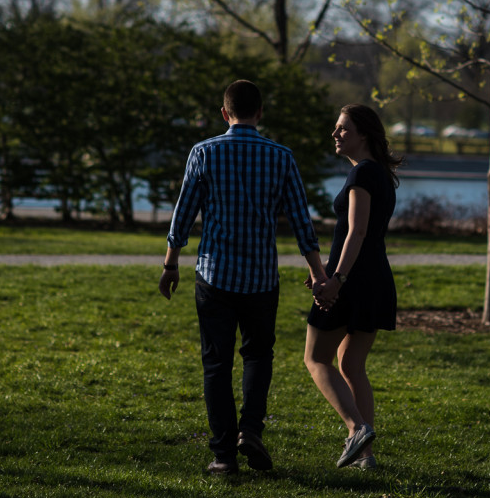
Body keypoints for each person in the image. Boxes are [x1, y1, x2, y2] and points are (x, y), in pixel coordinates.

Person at [159, 79, 327, 476]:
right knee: (258, 356)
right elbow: (303, 223)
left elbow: (183, 215)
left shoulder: (204, 152)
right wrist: (318, 273)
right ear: (260, 112)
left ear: (224, 113)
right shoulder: (281, 157)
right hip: (261, 279)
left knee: (216, 365)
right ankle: (250, 430)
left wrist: (170, 264)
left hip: (213, 277)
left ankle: (223, 456)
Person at [304, 104, 399, 470]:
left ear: (364, 133)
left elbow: (357, 231)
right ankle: (366, 456)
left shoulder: (362, 175)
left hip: (354, 281)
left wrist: (337, 280)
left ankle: (357, 429)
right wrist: (327, 271)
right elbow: (359, 235)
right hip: (375, 280)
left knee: (315, 358)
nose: (336, 134)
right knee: (352, 365)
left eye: (343, 128)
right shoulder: (381, 175)